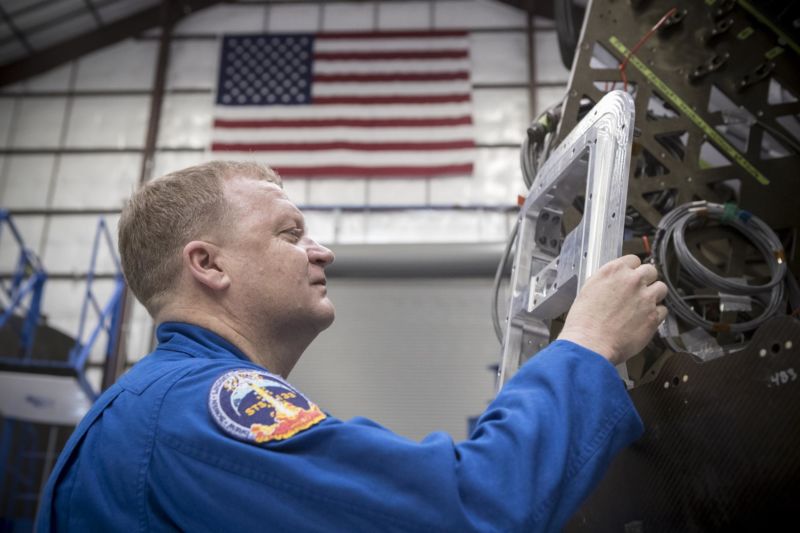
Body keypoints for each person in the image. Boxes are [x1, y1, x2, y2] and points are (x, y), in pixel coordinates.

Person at [36, 160, 667, 532]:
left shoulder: (150, 408)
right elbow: (471, 507)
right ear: (208, 264)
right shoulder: (199, 411)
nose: (322, 251)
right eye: (290, 234)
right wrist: (587, 343)